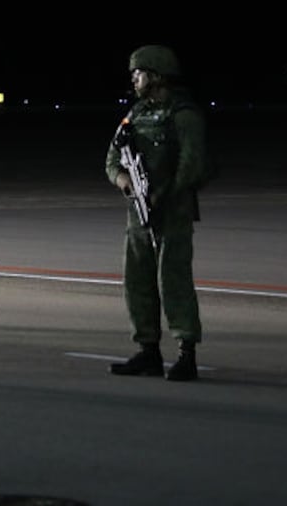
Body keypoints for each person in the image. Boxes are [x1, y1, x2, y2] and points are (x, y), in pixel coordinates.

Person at [105, 44, 207, 382]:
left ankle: (186, 353)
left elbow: (192, 164)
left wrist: (165, 195)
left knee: (173, 282)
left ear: (157, 75)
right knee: (137, 283)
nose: (134, 79)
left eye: (139, 73)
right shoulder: (135, 114)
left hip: (172, 212)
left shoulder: (183, 115)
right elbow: (112, 160)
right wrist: (126, 183)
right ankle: (148, 351)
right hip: (139, 214)